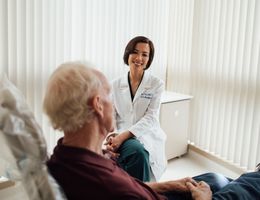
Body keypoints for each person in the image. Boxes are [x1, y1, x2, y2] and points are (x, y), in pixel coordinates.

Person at [44, 61, 260, 200]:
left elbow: (129, 183)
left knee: (216, 178)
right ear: (98, 105)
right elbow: (125, 190)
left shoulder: (63, 157)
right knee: (249, 185)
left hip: (154, 192)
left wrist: (167, 186)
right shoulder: (109, 187)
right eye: (109, 95)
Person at [107, 36, 166, 182]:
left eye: (145, 54)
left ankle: (140, 192)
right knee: (132, 156)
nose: (139, 58)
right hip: (120, 132)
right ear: (128, 54)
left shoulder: (156, 84)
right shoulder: (115, 84)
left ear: (149, 59)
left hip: (147, 133)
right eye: (135, 52)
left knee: (139, 153)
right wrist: (112, 137)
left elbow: (151, 117)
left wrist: (124, 136)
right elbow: (111, 116)